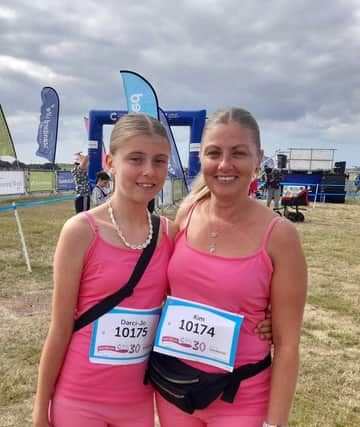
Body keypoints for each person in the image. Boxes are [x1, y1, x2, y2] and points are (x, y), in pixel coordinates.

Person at [32, 113, 274, 427]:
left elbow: (197, 297)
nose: (149, 171)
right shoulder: (80, 231)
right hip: (79, 400)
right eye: (136, 158)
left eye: (159, 161)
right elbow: (60, 327)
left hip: (139, 403)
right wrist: (40, 411)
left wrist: (265, 319)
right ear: (110, 161)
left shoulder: (169, 234)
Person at [154, 107, 307, 427]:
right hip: (176, 390)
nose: (225, 164)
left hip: (242, 398)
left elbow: (289, 345)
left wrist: (274, 423)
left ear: (258, 158)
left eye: (238, 153)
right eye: (214, 153)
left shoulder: (280, 236)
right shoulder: (187, 213)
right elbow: (165, 289)